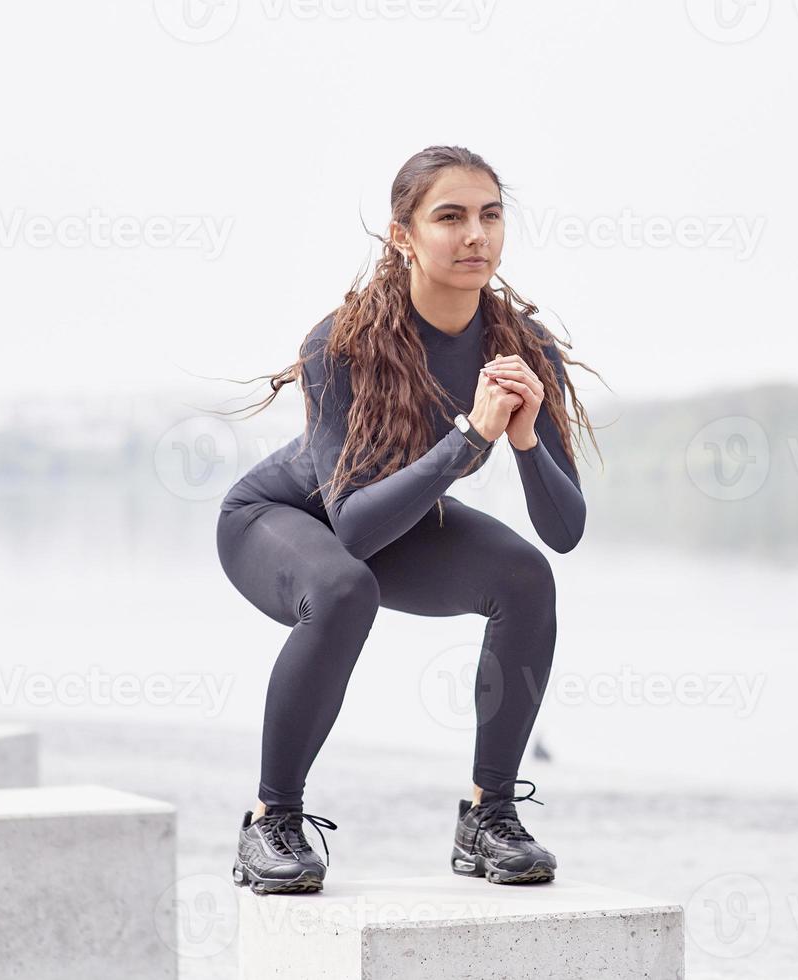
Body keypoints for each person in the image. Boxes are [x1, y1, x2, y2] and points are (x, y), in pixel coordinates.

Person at [212, 145, 603, 894]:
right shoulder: (343, 341)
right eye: (448, 217)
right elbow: (351, 529)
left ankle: (488, 819)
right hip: (282, 516)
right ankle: (271, 822)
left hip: (398, 518)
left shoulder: (523, 348)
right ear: (402, 236)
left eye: (489, 216)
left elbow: (565, 530)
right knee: (341, 587)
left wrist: (522, 439)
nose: (474, 235)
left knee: (526, 576)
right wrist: (469, 439)